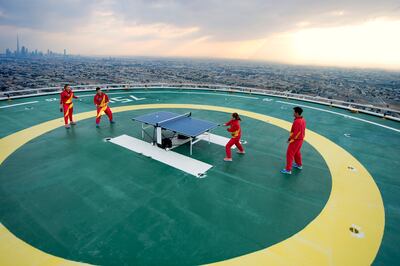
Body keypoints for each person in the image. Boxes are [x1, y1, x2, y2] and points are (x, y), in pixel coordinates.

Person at [281, 107, 306, 174]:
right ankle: (299, 165)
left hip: (296, 140)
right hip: (300, 139)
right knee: (297, 152)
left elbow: (296, 133)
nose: (293, 113)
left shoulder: (297, 121)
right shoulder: (302, 120)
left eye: (294, 112)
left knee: (290, 154)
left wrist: (290, 139)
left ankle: (288, 170)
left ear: (297, 113)